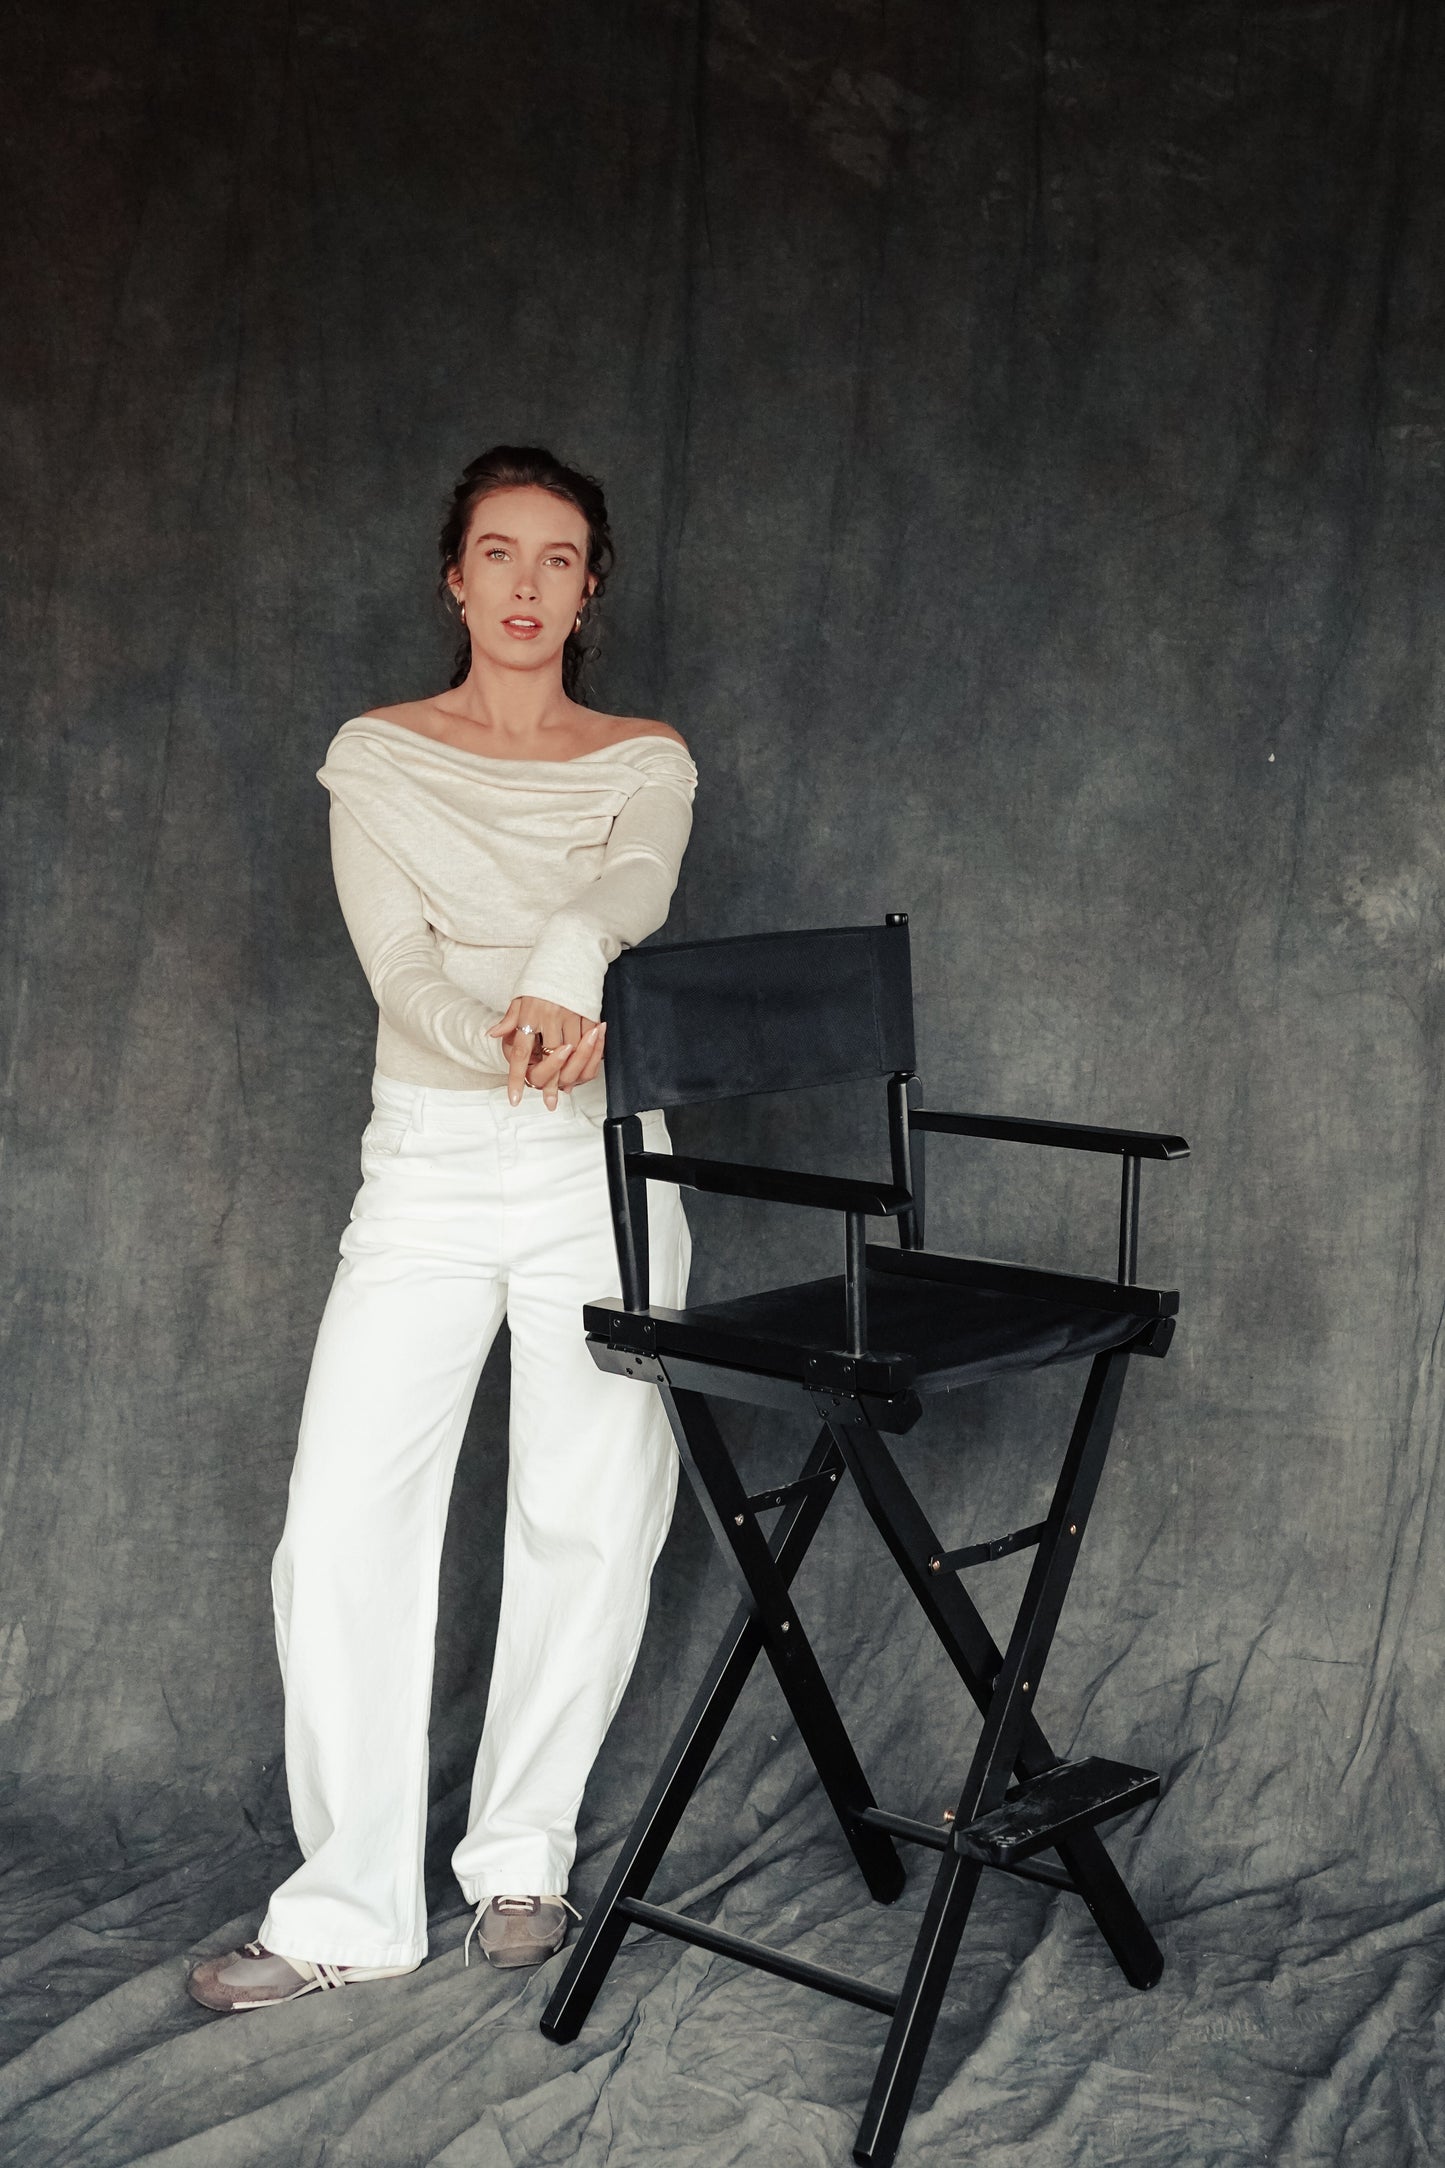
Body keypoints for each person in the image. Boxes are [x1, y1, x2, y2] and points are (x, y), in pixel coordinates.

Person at [188, 446, 698, 2012]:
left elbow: (630, 887)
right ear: (454, 578)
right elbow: (398, 969)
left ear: (591, 584)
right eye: (499, 553)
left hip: (602, 1166)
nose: (528, 585)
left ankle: (522, 1858)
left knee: (589, 1512)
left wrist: (560, 954)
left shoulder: (643, 755)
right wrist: (520, 1029)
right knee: (339, 1524)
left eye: (559, 558)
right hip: (428, 1157)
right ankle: (343, 1909)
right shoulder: (377, 755)